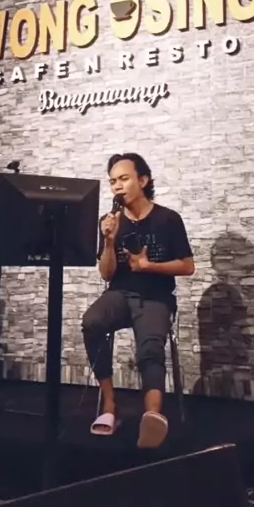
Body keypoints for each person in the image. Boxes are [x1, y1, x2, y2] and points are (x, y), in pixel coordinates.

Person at [82, 152, 195, 448]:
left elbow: (187, 266)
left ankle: (152, 416)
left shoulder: (168, 219)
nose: (117, 186)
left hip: (156, 296)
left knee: (150, 347)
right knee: (92, 322)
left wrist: (149, 266)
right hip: (120, 294)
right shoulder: (110, 221)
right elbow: (106, 274)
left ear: (143, 181)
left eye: (124, 178)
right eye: (113, 181)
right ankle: (110, 405)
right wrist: (109, 241)